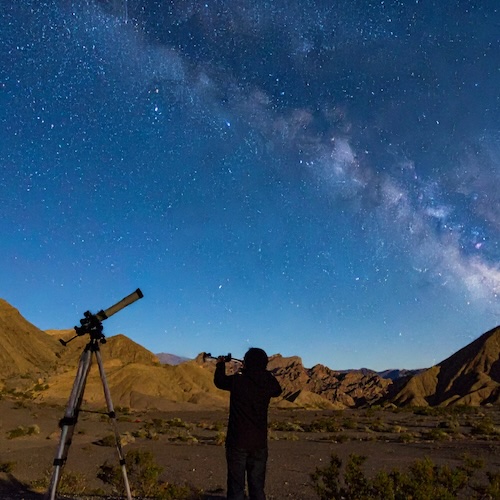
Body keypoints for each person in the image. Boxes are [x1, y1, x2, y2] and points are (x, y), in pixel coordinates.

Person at [214, 348, 282, 500]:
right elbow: (278, 390)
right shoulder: (267, 382)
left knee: (236, 487)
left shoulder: (238, 380)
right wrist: (262, 373)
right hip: (259, 443)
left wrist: (220, 365)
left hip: (237, 441)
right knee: (257, 487)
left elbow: (219, 381)